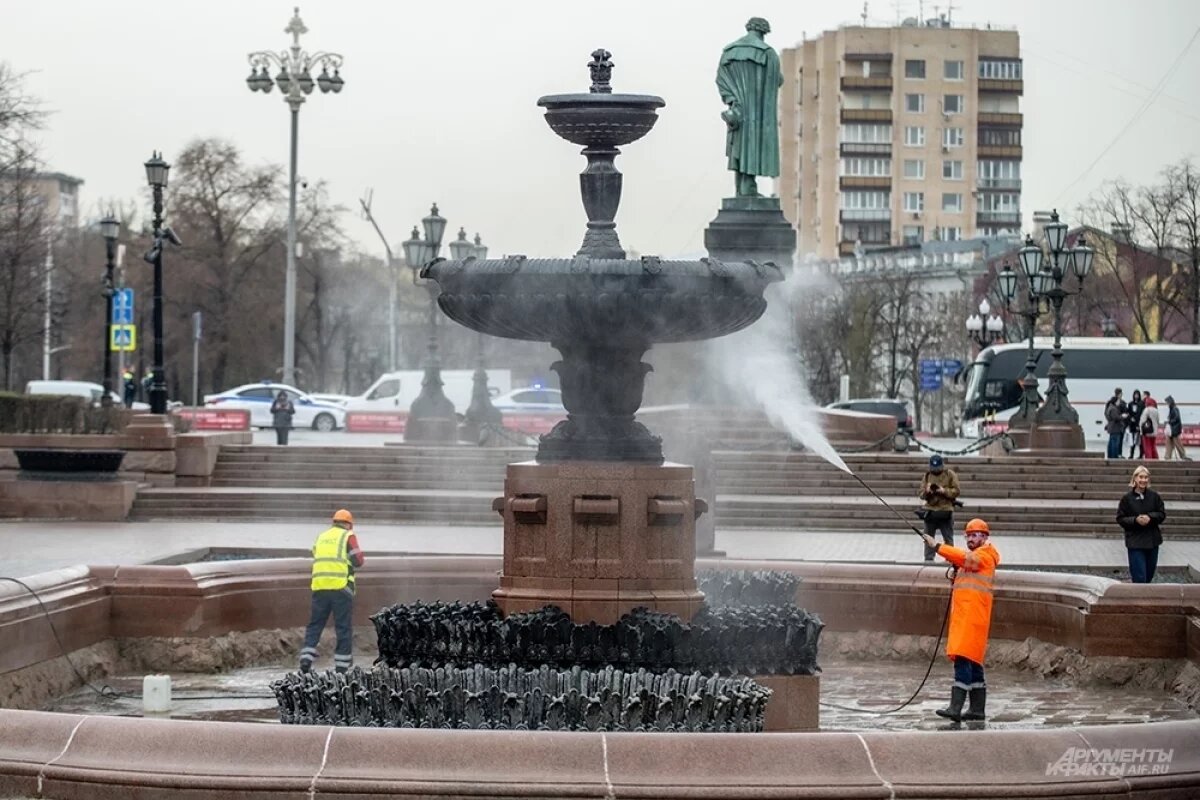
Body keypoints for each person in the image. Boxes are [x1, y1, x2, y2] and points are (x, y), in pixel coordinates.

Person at [921, 517, 1001, 723]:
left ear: (985, 538)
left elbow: (965, 558)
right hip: (970, 618)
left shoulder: (984, 556)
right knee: (973, 662)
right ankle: (977, 710)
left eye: (976, 535)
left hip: (970, 619)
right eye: (969, 535)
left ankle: (955, 708)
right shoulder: (977, 557)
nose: (971, 539)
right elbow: (963, 560)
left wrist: (937, 546)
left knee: (963, 660)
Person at [716, 17, 783, 197]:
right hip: (759, 112)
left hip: (737, 109)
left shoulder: (729, 52)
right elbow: (777, 80)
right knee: (753, 145)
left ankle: (743, 188)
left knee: (739, 147)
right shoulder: (768, 53)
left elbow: (721, 80)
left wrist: (732, 99)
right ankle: (748, 187)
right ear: (764, 31)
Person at [299, 509, 365, 674]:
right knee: (343, 627)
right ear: (349, 524)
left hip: (320, 587)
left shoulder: (322, 536)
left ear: (334, 522)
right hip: (340, 587)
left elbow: (317, 555)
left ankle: (306, 658)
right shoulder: (348, 536)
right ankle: (342, 666)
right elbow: (358, 560)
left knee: (315, 624)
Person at [1116, 466, 1166, 584]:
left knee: (1149, 576)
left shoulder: (1154, 496)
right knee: (1140, 577)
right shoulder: (1127, 499)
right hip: (1135, 542)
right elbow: (1120, 518)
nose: (1143, 480)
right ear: (1135, 478)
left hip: (1152, 541)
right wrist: (1135, 520)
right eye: (1141, 477)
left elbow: (1162, 514)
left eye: (1146, 477)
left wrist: (1150, 517)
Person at [919, 454, 960, 561]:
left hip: (945, 510)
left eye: (937, 468)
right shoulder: (927, 476)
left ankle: (950, 558)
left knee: (948, 538)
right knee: (928, 537)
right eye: (933, 468)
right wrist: (927, 491)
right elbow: (921, 494)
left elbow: (956, 491)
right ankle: (928, 559)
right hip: (930, 511)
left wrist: (944, 491)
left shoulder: (949, 474)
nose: (935, 470)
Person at [1103, 387, 1126, 460]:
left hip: (1112, 426)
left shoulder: (1109, 406)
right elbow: (1116, 417)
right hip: (1115, 427)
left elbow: (1107, 415)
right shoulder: (1113, 408)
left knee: (1111, 442)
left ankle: (1111, 455)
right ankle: (1114, 456)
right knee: (1115, 443)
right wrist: (1122, 417)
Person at [1164, 395, 1188, 460]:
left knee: (1176, 442)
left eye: (1167, 402)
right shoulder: (1173, 409)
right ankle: (1168, 456)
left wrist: (1169, 422)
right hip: (1173, 429)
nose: (1167, 404)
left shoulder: (1174, 409)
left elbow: (1176, 418)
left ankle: (1182, 455)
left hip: (1174, 429)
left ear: (1170, 402)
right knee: (1169, 442)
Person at [1139, 395, 1160, 460]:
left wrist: (1141, 430)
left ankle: (1149, 458)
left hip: (1147, 432)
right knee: (1153, 445)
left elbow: (1143, 421)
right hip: (1154, 431)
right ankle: (1155, 458)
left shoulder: (1146, 410)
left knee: (1147, 446)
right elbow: (1158, 421)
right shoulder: (1156, 410)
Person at [1126, 389, 1144, 459]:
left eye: (1137, 395)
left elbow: (1141, 413)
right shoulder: (1130, 404)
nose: (1136, 396)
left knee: (1140, 441)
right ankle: (1131, 454)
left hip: (1139, 423)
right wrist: (1130, 419)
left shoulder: (1141, 403)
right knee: (1132, 440)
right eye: (1135, 395)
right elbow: (1128, 413)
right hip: (1132, 424)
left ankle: (1141, 455)